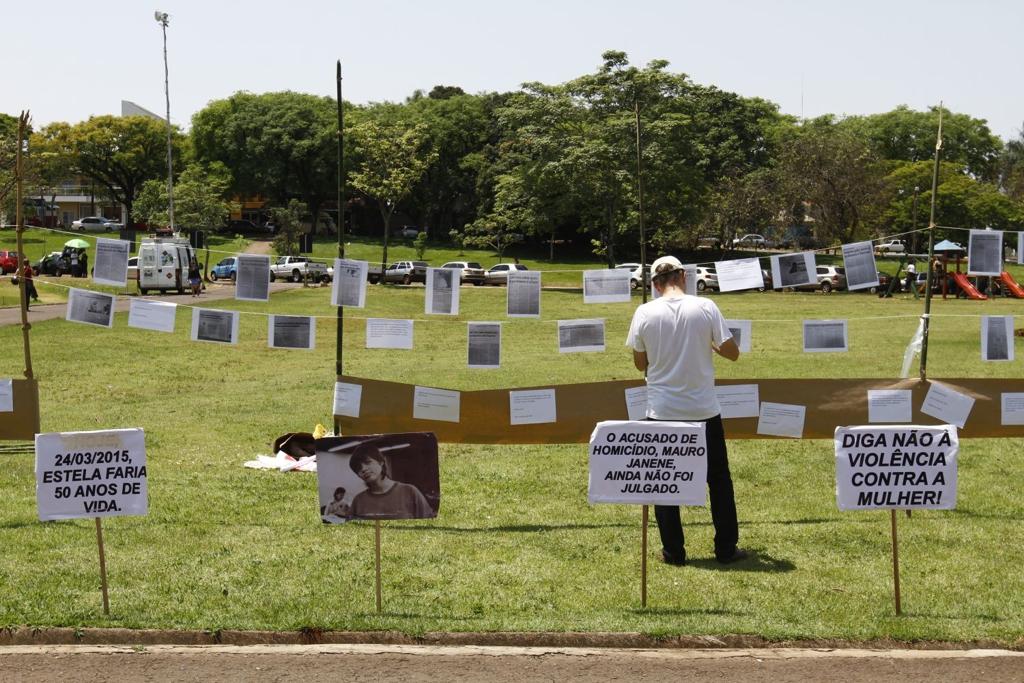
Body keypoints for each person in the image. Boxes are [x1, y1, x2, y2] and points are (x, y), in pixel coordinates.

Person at [626, 255, 747, 566]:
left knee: (665, 481)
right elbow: (733, 354)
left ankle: (674, 552)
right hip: (704, 409)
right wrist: (710, 345)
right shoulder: (705, 307)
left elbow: (641, 363)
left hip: (662, 409)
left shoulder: (644, 312)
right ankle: (725, 548)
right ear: (682, 276)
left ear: (654, 284)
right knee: (719, 480)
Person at [347, 443, 433, 519]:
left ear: (381, 462)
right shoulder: (358, 501)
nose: (363, 469)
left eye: (367, 462)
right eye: (358, 468)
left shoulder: (410, 492)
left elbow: (429, 525)